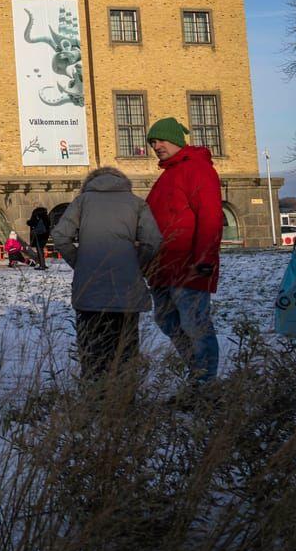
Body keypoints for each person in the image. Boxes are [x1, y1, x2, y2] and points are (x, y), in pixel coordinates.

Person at [51, 166, 163, 380]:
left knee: (92, 353)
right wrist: (134, 264)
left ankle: (94, 402)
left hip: (89, 292)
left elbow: (60, 236)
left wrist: (80, 262)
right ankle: (124, 402)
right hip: (127, 293)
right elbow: (153, 240)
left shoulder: (82, 202)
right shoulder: (136, 203)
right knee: (126, 354)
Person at [144, 117, 224, 384]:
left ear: (176, 139)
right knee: (166, 320)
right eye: (153, 142)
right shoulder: (167, 175)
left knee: (194, 324)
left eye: (161, 139)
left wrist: (205, 259)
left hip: (189, 266)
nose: (156, 145)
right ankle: (196, 373)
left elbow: (211, 218)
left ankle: (205, 382)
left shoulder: (198, 169)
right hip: (162, 268)